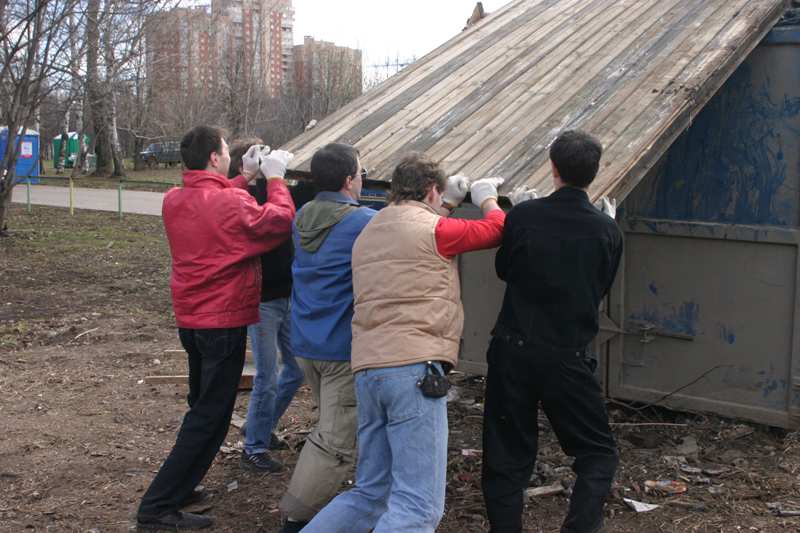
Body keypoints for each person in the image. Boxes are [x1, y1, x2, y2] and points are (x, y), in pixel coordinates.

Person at [301, 153, 528, 533]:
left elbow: (416, 236)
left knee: (370, 494)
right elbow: (495, 230)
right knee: (418, 507)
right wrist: (487, 198)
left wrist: (447, 204)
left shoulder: (370, 229)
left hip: (368, 372)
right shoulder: (435, 231)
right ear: (432, 190)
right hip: (413, 372)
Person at [135, 126, 296, 531]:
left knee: (200, 408)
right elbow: (278, 222)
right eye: (225, 151)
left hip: (192, 321)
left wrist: (247, 176)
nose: (227, 156)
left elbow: (215, 201)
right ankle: (157, 507)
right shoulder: (229, 202)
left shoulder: (175, 199)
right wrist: (275, 179)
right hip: (222, 322)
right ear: (213, 157)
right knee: (211, 417)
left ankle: (181, 487)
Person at [481, 130, 623, 533]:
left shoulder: (524, 216)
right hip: (567, 357)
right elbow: (599, 287)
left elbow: (505, 269)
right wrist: (606, 228)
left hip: (513, 351)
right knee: (597, 454)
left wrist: (520, 216)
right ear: (594, 172)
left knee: (506, 455)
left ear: (553, 167)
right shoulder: (606, 231)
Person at [278, 143, 377, 533]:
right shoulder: (362, 221)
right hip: (339, 350)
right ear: (350, 180)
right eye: (361, 173)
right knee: (335, 442)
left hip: (306, 343)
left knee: (332, 427)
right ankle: (296, 518)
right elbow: (410, 230)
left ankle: (340, 498)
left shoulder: (303, 215)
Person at [227, 138, 304, 474]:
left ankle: (258, 427)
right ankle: (254, 449)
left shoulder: (277, 189)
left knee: (297, 370)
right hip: (262, 302)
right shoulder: (241, 198)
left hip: (287, 296)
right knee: (267, 377)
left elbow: (302, 196)